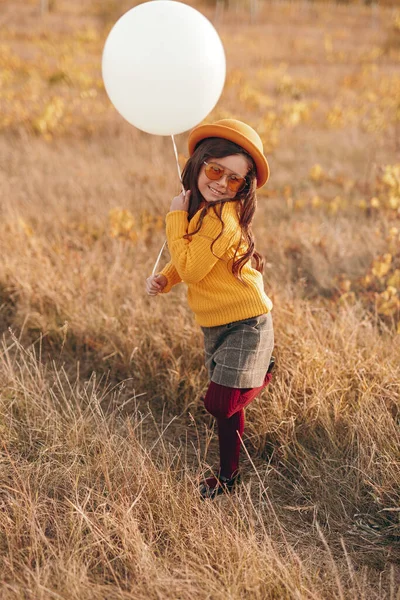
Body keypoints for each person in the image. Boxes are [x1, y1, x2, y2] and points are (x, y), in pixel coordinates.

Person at [145, 119, 275, 500]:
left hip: (246, 323)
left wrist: (174, 218)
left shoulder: (222, 219)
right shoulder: (206, 213)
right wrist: (167, 278)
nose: (221, 183)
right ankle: (229, 476)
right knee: (224, 408)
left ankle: (264, 371)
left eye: (234, 179)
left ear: (243, 187)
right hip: (216, 324)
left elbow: (193, 266)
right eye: (216, 169)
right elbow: (192, 260)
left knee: (219, 402)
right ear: (200, 162)